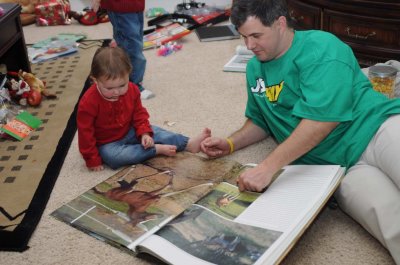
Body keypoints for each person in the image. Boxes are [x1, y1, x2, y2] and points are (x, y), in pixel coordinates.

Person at [200, 0, 400, 263]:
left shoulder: (322, 47)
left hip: (375, 128)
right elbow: (261, 120)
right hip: (338, 169)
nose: (249, 46)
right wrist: (230, 143)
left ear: (280, 24)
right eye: (244, 37)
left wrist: (267, 167)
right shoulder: (254, 69)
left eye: (256, 35)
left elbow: (321, 122)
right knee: (393, 227)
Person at [77, 46, 210, 171]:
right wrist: (92, 159)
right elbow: (85, 133)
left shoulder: (133, 90)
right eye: (110, 88)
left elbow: (139, 114)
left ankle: (188, 143)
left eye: (122, 85)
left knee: (157, 132)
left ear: (129, 74)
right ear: (95, 80)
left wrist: (144, 133)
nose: (117, 92)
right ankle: (155, 150)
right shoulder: (88, 102)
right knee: (113, 158)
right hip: (107, 143)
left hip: (131, 130)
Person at [91, 0, 154, 99]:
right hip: (120, 7)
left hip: (136, 5)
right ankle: (133, 86)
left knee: (135, 42)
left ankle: (121, 77)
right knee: (132, 48)